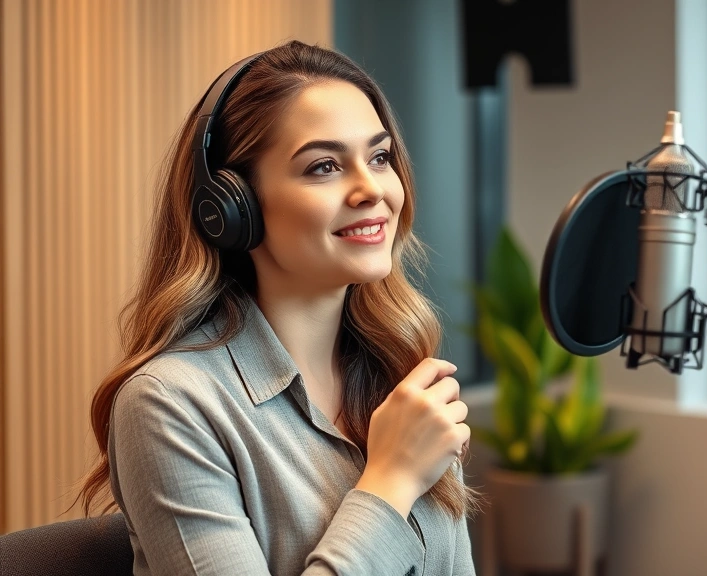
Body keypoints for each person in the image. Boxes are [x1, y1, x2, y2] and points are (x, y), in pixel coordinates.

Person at [78, 41, 478, 575]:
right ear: (232, 206)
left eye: (379, 157)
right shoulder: (170, 404)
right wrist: (392, 481)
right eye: (324, 166)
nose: (372, 189)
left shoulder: (397, 377)